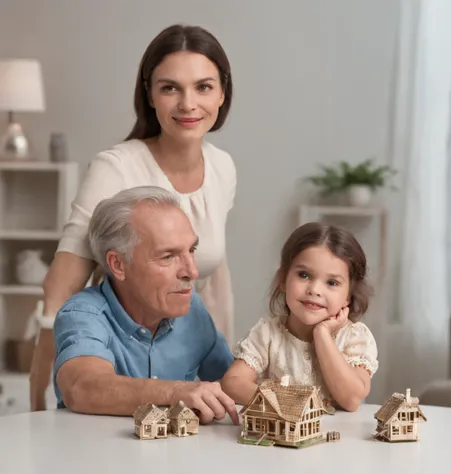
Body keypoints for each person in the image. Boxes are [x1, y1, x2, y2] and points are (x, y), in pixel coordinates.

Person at [30, 23, 236, 411]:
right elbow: (61, 291)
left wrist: (221, 359)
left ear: (222, 92)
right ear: (150, 95)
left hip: (181, 334)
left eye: (204, 87)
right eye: (170, 87)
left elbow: (214, 274)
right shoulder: (115, 169)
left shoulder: (223, 168)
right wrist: (43, 391)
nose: (188, 104)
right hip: (117, 352)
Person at [54, 186, 238, 424]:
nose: (192, 271)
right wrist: (174, 392)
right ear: (118, 265)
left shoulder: (192, 308)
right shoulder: (83, 314)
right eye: (168, 256)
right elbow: (83, 387)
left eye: (191, 250)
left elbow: (231, 382)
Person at [221, 222, 379, 412]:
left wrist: (322, 336)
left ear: (348, 296)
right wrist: (283, 404)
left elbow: (351, 400)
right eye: (304, 275)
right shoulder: (267, 334)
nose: (314, 290)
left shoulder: (355, 338)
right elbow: (232, 382)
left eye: (331, 282)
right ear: (283, 280)